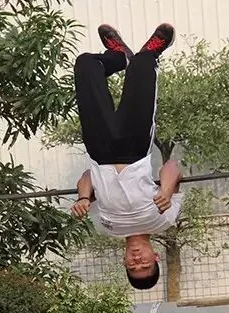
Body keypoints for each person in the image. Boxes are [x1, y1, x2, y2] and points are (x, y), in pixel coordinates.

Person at [69, 23, 183, 291]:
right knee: (142, 67)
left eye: (132, 267)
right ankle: (148, 54)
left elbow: (88, 177)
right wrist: (166, 191)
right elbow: (171, 167)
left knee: (85, 65)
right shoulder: (163, 220)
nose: (137, 261)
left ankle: (119, 57)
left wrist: (83, 198)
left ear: (123, 262)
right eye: (145, 265)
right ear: (155, 257)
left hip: (99, 148)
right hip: (134, 147)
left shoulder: (105, 227)